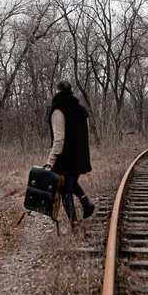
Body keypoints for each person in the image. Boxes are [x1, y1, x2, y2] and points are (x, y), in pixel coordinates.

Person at [45, 79, 95, 223]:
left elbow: (59, 139)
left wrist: (50, 161)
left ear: (57, 90)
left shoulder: (58, 110)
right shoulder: (80, 109)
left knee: (65, 190)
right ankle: (85, 201)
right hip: (80, 158)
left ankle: (74, 223)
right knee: (70, 182)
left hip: (65, 159)